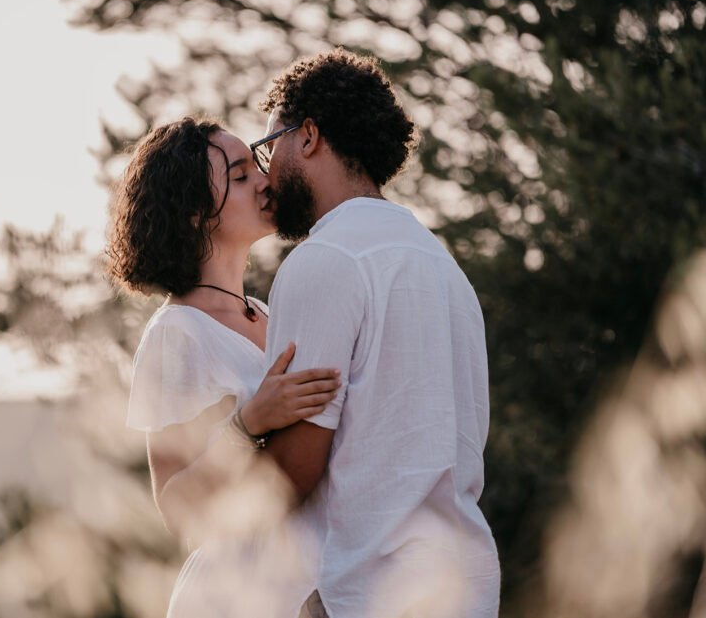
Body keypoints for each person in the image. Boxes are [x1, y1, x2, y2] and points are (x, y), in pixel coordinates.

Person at [251, 49, 502, 618]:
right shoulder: (442, 268)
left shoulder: (324, 260)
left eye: (269, 149)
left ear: (308, 136)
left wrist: (237, 437)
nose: (266, 174)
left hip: (363, 594)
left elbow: (294, 471)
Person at [106, 117, 334, 617]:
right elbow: (175, 507)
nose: (265, 180)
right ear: (193, 215)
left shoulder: (271, 314)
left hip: (306, 593)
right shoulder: (177, 335)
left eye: (256, 165)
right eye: (239, 175)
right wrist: (249, 423)